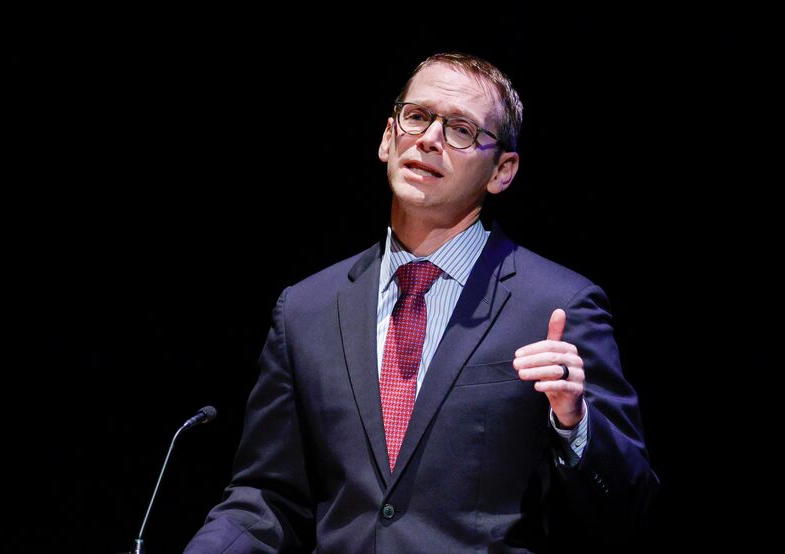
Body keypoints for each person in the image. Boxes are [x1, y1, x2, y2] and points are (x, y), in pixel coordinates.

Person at [185, 52, 658, 553]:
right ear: (389, 138)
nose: (430, 138)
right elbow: (265, 498)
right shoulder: (306, 309)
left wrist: (574, 423)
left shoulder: (556, 306)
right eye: (417, 117)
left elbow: (630, 510)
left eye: (460, 130)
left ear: (503, 170)